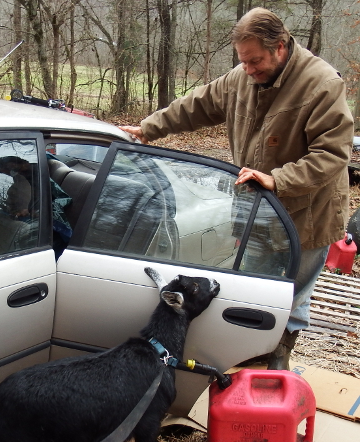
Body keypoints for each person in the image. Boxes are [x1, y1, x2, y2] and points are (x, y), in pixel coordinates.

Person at [120, 7, 354, 370]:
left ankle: (275, 360)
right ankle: (250, 352)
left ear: (280, 46)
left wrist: (280, 180)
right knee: (255, 285)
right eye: (243, 61)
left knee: (291, 292)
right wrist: (150, 128)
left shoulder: (322, 84)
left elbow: (332, 153)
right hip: (257, 206)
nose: (248, 70)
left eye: (255, 61)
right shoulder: (240, 79)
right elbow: (195, 106)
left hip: (308, 215)